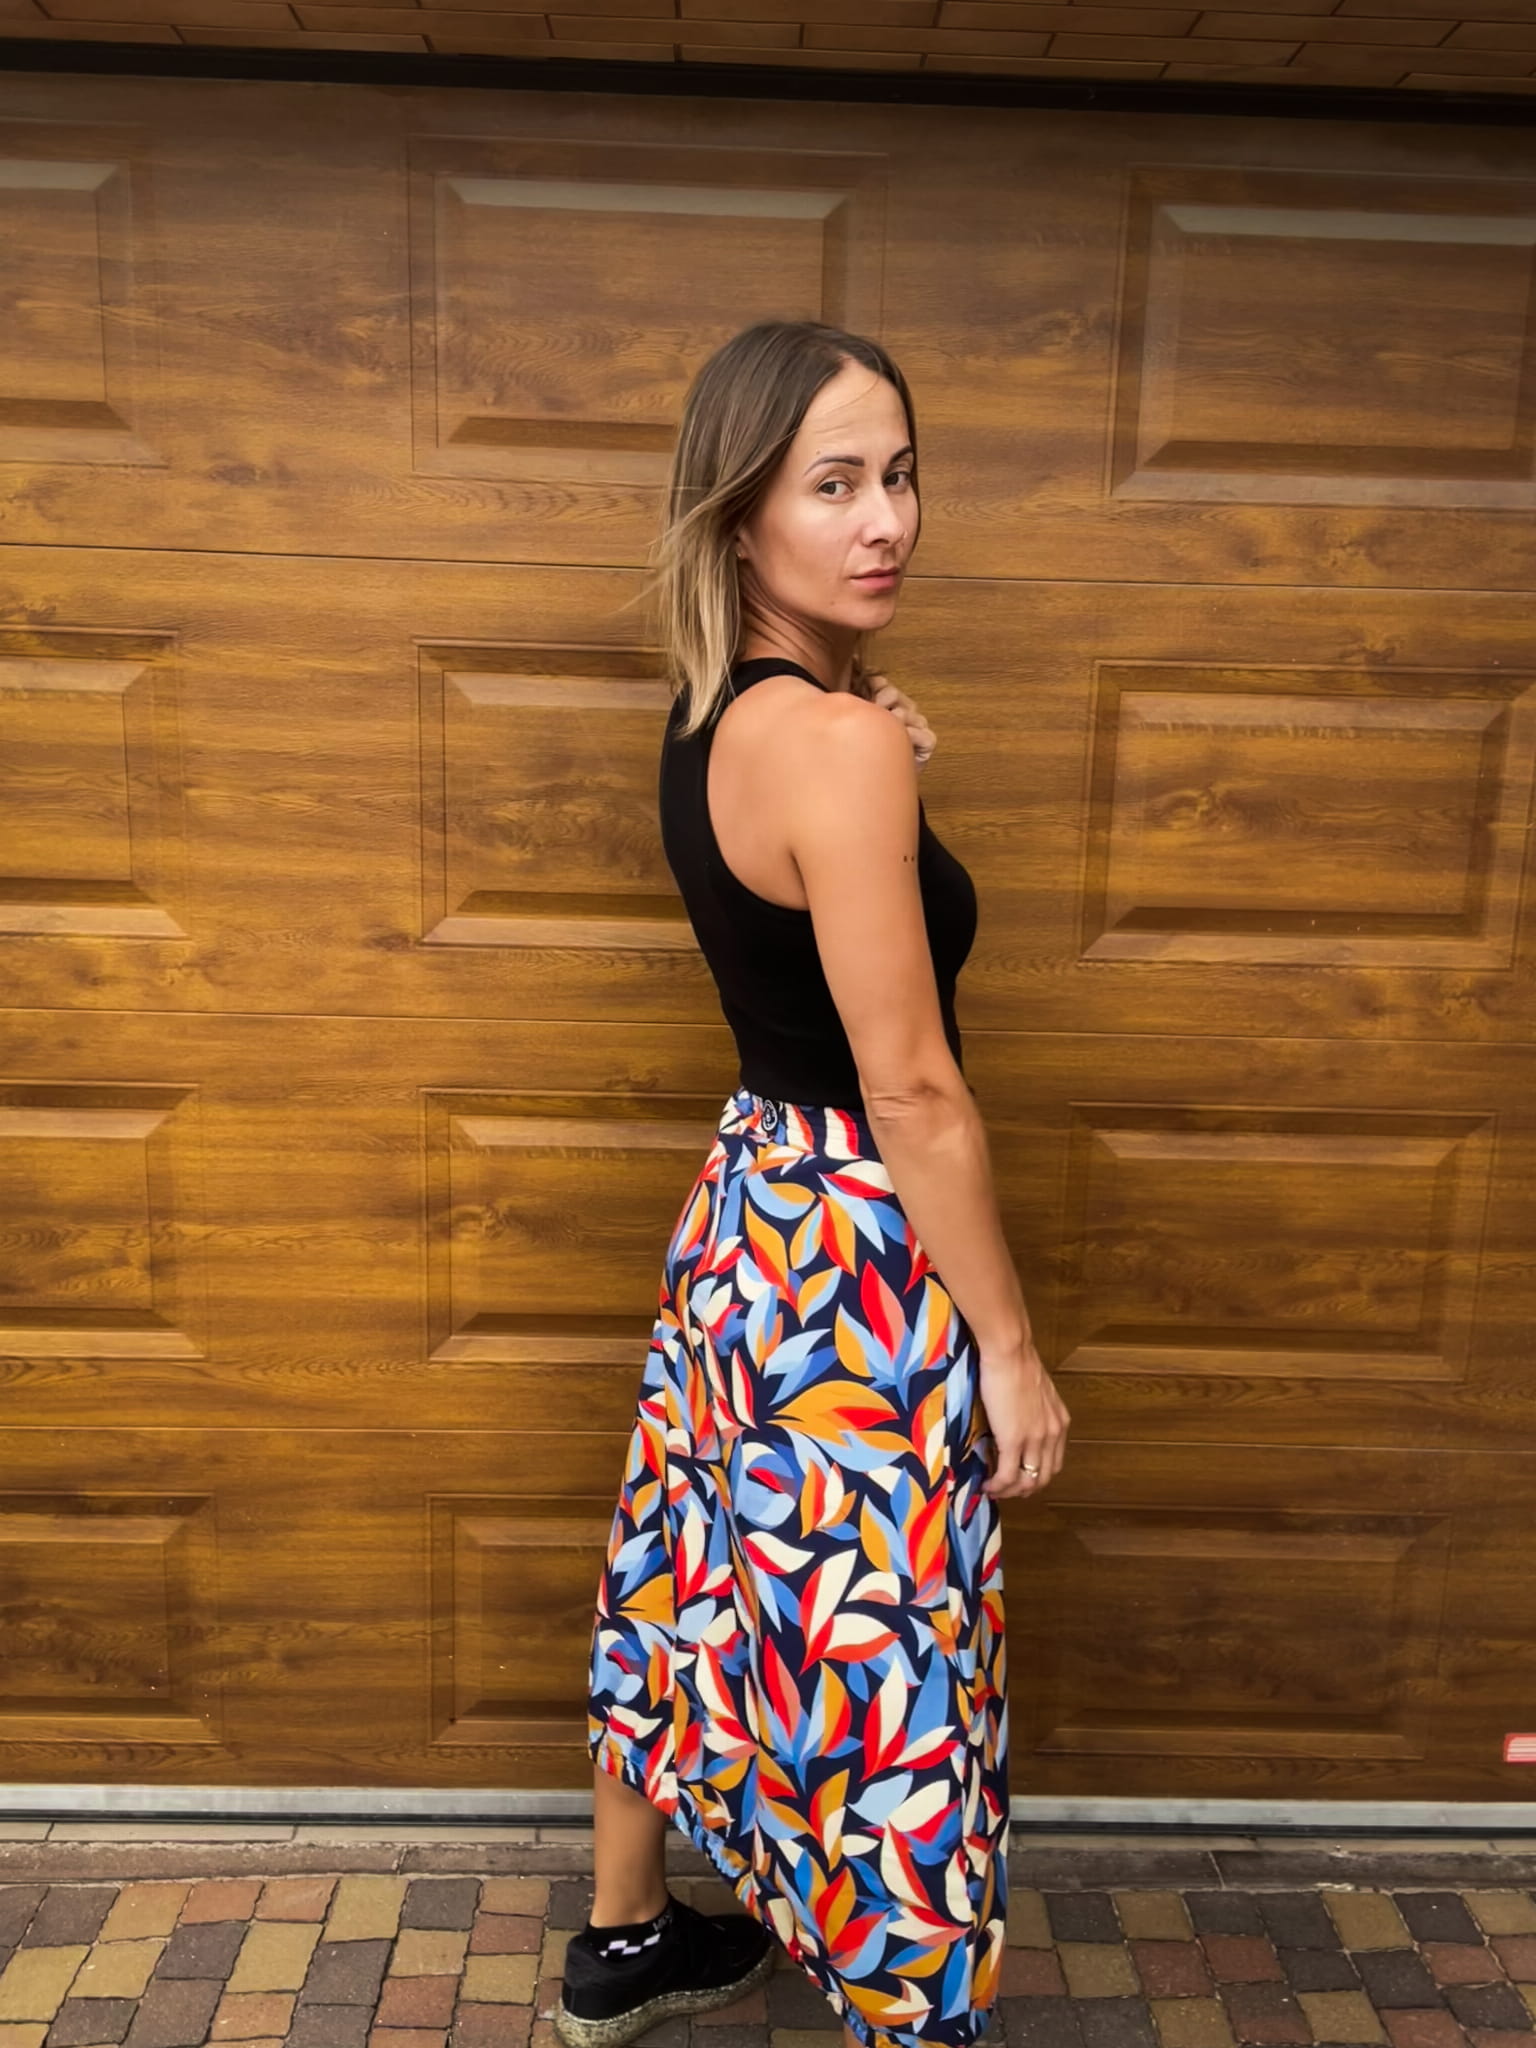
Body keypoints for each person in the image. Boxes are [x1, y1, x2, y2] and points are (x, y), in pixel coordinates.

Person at [556, 319, 1071, 2048]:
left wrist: (880, 753)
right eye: (834, 483)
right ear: (740, 514)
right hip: (854, 1240)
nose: (887, 520)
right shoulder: (832, 742)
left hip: (750, 1217)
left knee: (689, 1567)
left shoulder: (719, 714)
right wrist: (1009, 1350)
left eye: (901, 476)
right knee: (890, 1640)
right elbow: (912, 1089)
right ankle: (911, 2011)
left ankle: (627, 1940)